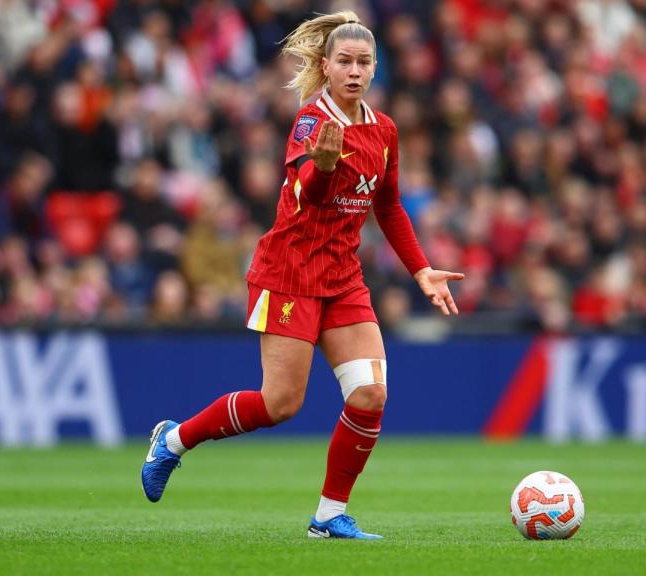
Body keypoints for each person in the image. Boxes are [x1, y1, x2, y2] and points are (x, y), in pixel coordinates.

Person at [140, 11, 464, 540]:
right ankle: (173, 441)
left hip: (343, 278)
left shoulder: (383, 130)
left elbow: (389, 206)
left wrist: (422, 269)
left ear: (375, 68)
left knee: (370, 395)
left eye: (364, 62)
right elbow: (309, 194)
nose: (355, 71)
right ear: (325, 66)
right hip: (288, 274)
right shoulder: (312, 123)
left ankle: (329, 515)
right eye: (345, 61)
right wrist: (326, 165)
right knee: (280, 404)